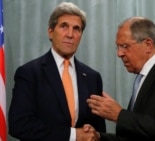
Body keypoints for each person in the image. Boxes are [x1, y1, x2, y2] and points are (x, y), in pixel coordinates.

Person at [87, 16, 155, 141]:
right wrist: (99, 137)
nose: (119, 54)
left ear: (148, 45)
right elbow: (137, 136)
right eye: (118, 47)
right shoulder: (141, 78)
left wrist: (120, 115)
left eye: (125, 46)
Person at [8, 2, 106, 141]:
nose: (70, 34)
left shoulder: (92, 77)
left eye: (76, 29)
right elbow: (19, 125)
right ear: (50, 32)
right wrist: (73, 135)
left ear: (81, 35)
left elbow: (97, 131)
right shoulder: (29, 73)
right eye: (64, 26)